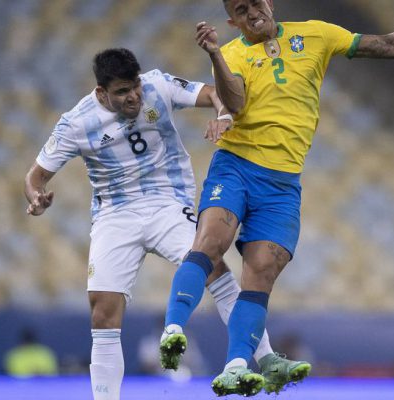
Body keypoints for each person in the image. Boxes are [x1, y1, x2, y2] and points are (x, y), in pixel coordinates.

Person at [160, 0, 394, 396]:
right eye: (241, 10)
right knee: (211, 243)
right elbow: (237, 103)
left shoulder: (315, 34)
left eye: (255, 3)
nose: (251, 13)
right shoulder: (229, 54)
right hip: (236, 165)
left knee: (261, 271)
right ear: (233, 20)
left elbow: (389, 44)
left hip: (282, 182)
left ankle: (235, 367)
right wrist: (213, 53)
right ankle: (173, 329)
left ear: (270, 3)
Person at [23, 48, 303, 400]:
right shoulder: (76, 123)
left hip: (167, 203)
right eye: (123, 91)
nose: (134, 96)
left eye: (135, 86)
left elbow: (215, 92)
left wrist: (222, 114)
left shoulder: (158, 85)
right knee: (103, 311)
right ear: (101, 93)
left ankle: (265, 359)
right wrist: (36, 196)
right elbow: (35, 177)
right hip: (115, 215)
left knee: (215, 267)